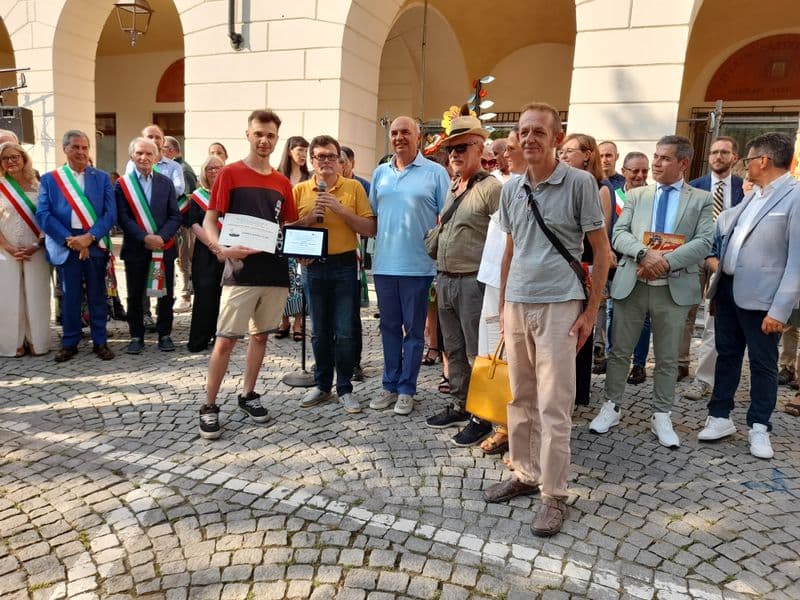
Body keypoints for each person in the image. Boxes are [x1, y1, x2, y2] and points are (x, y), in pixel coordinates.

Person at [483, 102, 609, 537]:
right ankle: (523, 472)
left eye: (540, 131)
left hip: (560, 306)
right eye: (523, 131)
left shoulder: (579, 183)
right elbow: (511, 250)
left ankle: (553, 494)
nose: (529, 138)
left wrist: (591, 311)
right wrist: (502, 305)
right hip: (517, 304)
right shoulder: (511, 188)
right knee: (519, 397)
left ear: (557, 138)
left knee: (554, 404)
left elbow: (602, 252)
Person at [590, 135, 713, 448]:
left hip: (672, 289)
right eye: (655, 157)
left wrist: (665, 262)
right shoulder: (636, 195)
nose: (656, 163)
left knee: (668, 358)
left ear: (683, 163)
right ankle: (611, 406)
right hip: (633, 284)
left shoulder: (700, 199)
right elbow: (618, 233)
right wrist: (644, 255)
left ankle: (662, 414)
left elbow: (703, 243)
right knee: (620, 351)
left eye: (664, 158)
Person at [697, 132, 800, 459]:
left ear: (764, 160)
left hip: (763, 301)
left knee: (762, 364)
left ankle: (759, 427)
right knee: (726, 355)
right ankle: (719, 416)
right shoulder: (754, 195)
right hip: (728, 289)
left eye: (750, 159)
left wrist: (780, 311)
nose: (747, 165)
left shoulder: (795, 197)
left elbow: (797, 261)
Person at [198, 109, 297, 440]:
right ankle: (209, 405)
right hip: (239, 270)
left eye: (270, 135)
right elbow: (212, 220)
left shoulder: (283, 182)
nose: (264, 140)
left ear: (276, 139)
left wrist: (310, 236)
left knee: (261, 336)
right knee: (225, 339)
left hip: (273, 271)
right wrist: (220, 249)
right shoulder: (230, 173)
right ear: (248, 134)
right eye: (259, 134)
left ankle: (248, 394)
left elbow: (288, 227)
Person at [423, 113, 501, 446]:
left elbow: (504, 239)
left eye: (462, 147)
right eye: (450, 149)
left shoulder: (492, 188)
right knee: (452, 348)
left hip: (473, 282)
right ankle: (461, 402)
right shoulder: (454, 186)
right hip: (446, 279)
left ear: (479, 148)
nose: (454, 155)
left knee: (475, 351)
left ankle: (482, 415)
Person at [368, 116, 450, 415]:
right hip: (385, 265)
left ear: (419, 137)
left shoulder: (436, 173)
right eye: (394, 132)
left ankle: (407, 388)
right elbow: (375, 217)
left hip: (418, 266)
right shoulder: (380, 174)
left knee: (414, 333)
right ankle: (389, 384)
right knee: (388, 327)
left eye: (406, 132)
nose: (399, 137)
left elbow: (447, 218)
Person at [293, 135, 375, 413]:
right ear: (312, 161)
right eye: (320, 156)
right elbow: (287, 229)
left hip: (343, 265)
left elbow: (368, 228)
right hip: (313, 267)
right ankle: (322, 385)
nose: (326, 161)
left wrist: (340, 210)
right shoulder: (300, 190)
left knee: (345, 331)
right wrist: (305, 221)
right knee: (319, 331)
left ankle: (345, 388)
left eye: (331, 156)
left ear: (340, 160)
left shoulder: (354, 188)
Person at [37, 131, 116, 361]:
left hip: (94, 240)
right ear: (65, 149)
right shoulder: (51, 179)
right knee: (69, 295)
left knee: (97, 294)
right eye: (75, 147)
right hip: (67, 242)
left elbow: (109, 214)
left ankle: (100, 341)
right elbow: (43, 214)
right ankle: (70, 341)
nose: (81, 152)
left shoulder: (101, 178)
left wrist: (89, 237)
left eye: (84, 147)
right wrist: (69, 240)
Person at [683, 137, 745, 399]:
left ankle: (705, 378)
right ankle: (678, 364)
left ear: (734, 157)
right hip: (696, 258)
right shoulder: (694, 187)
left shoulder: (745, 188)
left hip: (727, 262)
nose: (718, 156)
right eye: (714, 152)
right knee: (686, 310)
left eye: (724, 152)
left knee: (714, 319)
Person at [557, 133, 614, 403]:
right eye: (562, 151)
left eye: (570, 151)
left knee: (579, 329)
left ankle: (577, 391)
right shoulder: (563, 185)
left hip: (585, 265)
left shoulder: (600, 187)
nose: (563, 155)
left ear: (588, 154)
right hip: (565, 265)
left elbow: (599, 237)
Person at [116, 137, 182, 354]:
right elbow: (122, 218)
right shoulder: (123, 184)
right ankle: (136, 335)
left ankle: (165, 334)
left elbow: (174, 215)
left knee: (164, 293)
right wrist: (145, 237)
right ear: (132, 156)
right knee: (135, 294)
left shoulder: (166, 183)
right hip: (136, 248)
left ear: (156, 157)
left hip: (163, 248)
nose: (144, 157)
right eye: (139, 153)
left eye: (149, 154)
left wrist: (160, 237)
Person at [609, 152, 653, 385]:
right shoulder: (613, 195)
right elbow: (606, 228)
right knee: (612, 313)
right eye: (635, 170)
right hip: (613, 264)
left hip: (640, 264)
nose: (640, 175)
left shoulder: (653, 197)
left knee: (643, 318)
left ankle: (638, 363)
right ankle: (612, 355)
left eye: (644, 171)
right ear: (624, 170)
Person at [1, 143, 49, 357]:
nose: (11, 161)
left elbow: (46, 217)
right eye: (5, 158)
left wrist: (38, 243)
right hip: (6, 248)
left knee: (37, 293)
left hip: (35, 248)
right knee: (9, 296)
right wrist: (8, 247)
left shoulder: (38, 185)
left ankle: (37, 342)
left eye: (14, 157)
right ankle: (13, 343)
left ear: (23, 158)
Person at [185, 155, 226, 352]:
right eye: (210, 168)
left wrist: (223, 248)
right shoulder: (197, 196)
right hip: (206, 251)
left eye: (218, 168)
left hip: (227, 251)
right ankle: (199, 340)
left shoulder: (230, 194)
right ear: (204, 172)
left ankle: (221, 338)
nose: (214, 171)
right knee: (205, 295)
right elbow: (194, 223)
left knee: (224, 296)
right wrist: (213, 245)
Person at [275, 136, 310, 341]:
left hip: (301, 232)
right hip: (279, 234)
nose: (304, 155)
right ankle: (283, 320)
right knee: (281, 278)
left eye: (306, 151)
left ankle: (299, 322)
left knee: (299, 278)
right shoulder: (277, 176)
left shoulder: (309, 177)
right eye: (300, 151)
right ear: (289, 151)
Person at [163, 135, 198, 313]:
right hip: (173, 223)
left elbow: (186, 198)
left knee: (183, 259)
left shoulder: (183, 169)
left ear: (173, 150)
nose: (162, 151)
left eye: (165, 147)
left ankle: (184, 295)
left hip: (182, 223)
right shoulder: (166, 167)